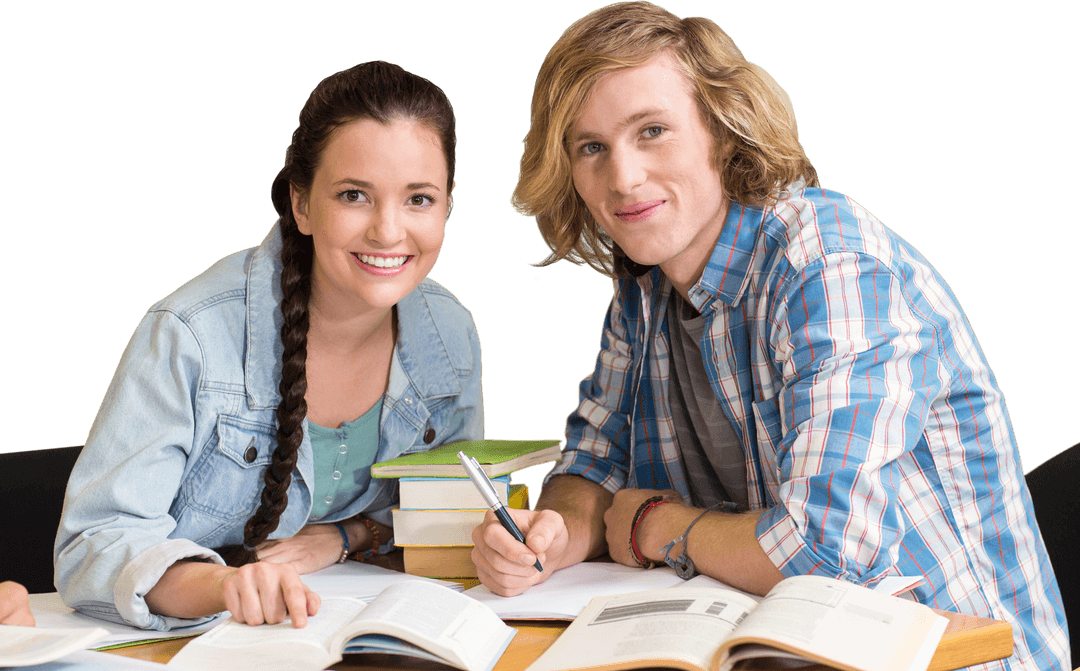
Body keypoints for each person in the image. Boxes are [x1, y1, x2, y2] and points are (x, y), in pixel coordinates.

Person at [471, 3, 1069, 669]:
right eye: (592, 148)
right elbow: (592, 464)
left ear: (723, 130)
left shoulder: (830, 267)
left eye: (652, 131)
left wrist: (657, 526)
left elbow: (826, 553)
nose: (624, 178)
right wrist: (554, 532)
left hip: (955, 657)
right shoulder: (642, 291)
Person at [54, 61, 483, 631]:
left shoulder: (449, 331)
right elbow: (93, 545)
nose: (387, 230)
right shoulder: (192, 333)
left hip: (350, 628)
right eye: (354, 195)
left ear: (449, 203)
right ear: (302, 205)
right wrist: (225, 586)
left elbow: (447, 510)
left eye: (419, 199)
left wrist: (346, 536)